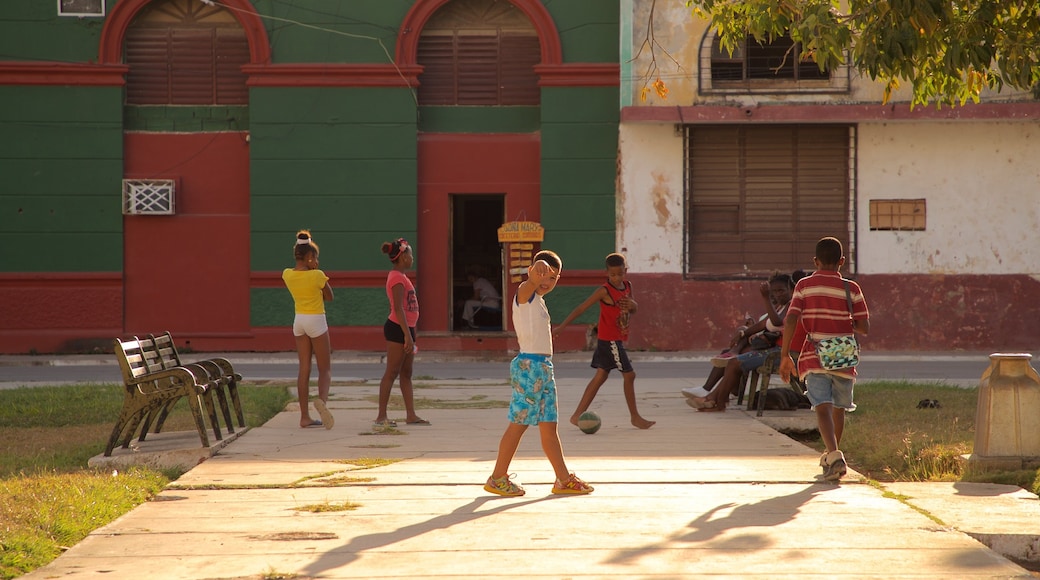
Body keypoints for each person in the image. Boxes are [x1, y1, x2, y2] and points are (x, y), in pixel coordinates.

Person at [484, 250, 594, 497]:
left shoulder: (540, 302)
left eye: (553, 277)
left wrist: (540, 273)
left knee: (549, 426)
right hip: (529, 368)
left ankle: (563, 479)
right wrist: (537, 271)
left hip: (544, 368)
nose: (547, 280)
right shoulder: (526, 296)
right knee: (519, 423)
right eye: (542, 274)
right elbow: (527, 285)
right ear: (532, 272)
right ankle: (497, 477)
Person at [780, 237, 869, 482]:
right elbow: (864, 327)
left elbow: (790, 319)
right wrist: (842, 322)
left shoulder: (804, 285)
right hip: (844, 355)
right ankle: (832, 455)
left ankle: (834, 455)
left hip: (814, 353)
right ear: (841, 261)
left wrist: (785, 354)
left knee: (822, 407)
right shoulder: (852, 289)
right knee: (838, 408)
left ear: (815, 261)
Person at [553, 252, 655, 430]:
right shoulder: (604, 290)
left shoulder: (628, 286)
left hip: (616, 338)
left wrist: (634, 306)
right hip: (610, 340)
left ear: (626, 271)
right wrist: (562, 327)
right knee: (629, 375)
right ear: (606, 273)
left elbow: (632, 308)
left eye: (620, 273)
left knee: (601, 376)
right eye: (612, 274)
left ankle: (577, 415)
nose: (616, 278)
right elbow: (581, 308)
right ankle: (635, 417)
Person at [682, 270, 805, 400]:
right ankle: (713, 391)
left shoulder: (792, 305)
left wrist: (765, 298)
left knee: (734, 361)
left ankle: (715, 396)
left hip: (781, 351)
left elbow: (775, 322)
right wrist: (744, 332)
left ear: (791, 290)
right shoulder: (781, 306)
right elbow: (764, 324)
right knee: (734, 353)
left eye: (781, 291)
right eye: (774, 292)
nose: (777, 295)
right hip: (774, 346)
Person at [281, 230, 335, 429]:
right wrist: (317, 275)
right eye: (316, 257)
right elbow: (330, 297)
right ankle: (322, 402)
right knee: (325, 369)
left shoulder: (287, 275)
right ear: (310, 257)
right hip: (316, 321)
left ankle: (304, 417)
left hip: (299, 322)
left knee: (304, 369)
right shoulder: (317, 275)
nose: (317, 261)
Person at [374, 238, 429, 428]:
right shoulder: (396, 277)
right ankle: (381, 416)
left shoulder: (403, 277)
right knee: (392, 372)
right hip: (398, 329)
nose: (412, 258)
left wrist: (411, 333)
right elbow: (398, 308)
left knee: (406, 373)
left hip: (407, 329)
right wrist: (407, 335)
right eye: (410, 254)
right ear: (403, 257)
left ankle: (411, 415)